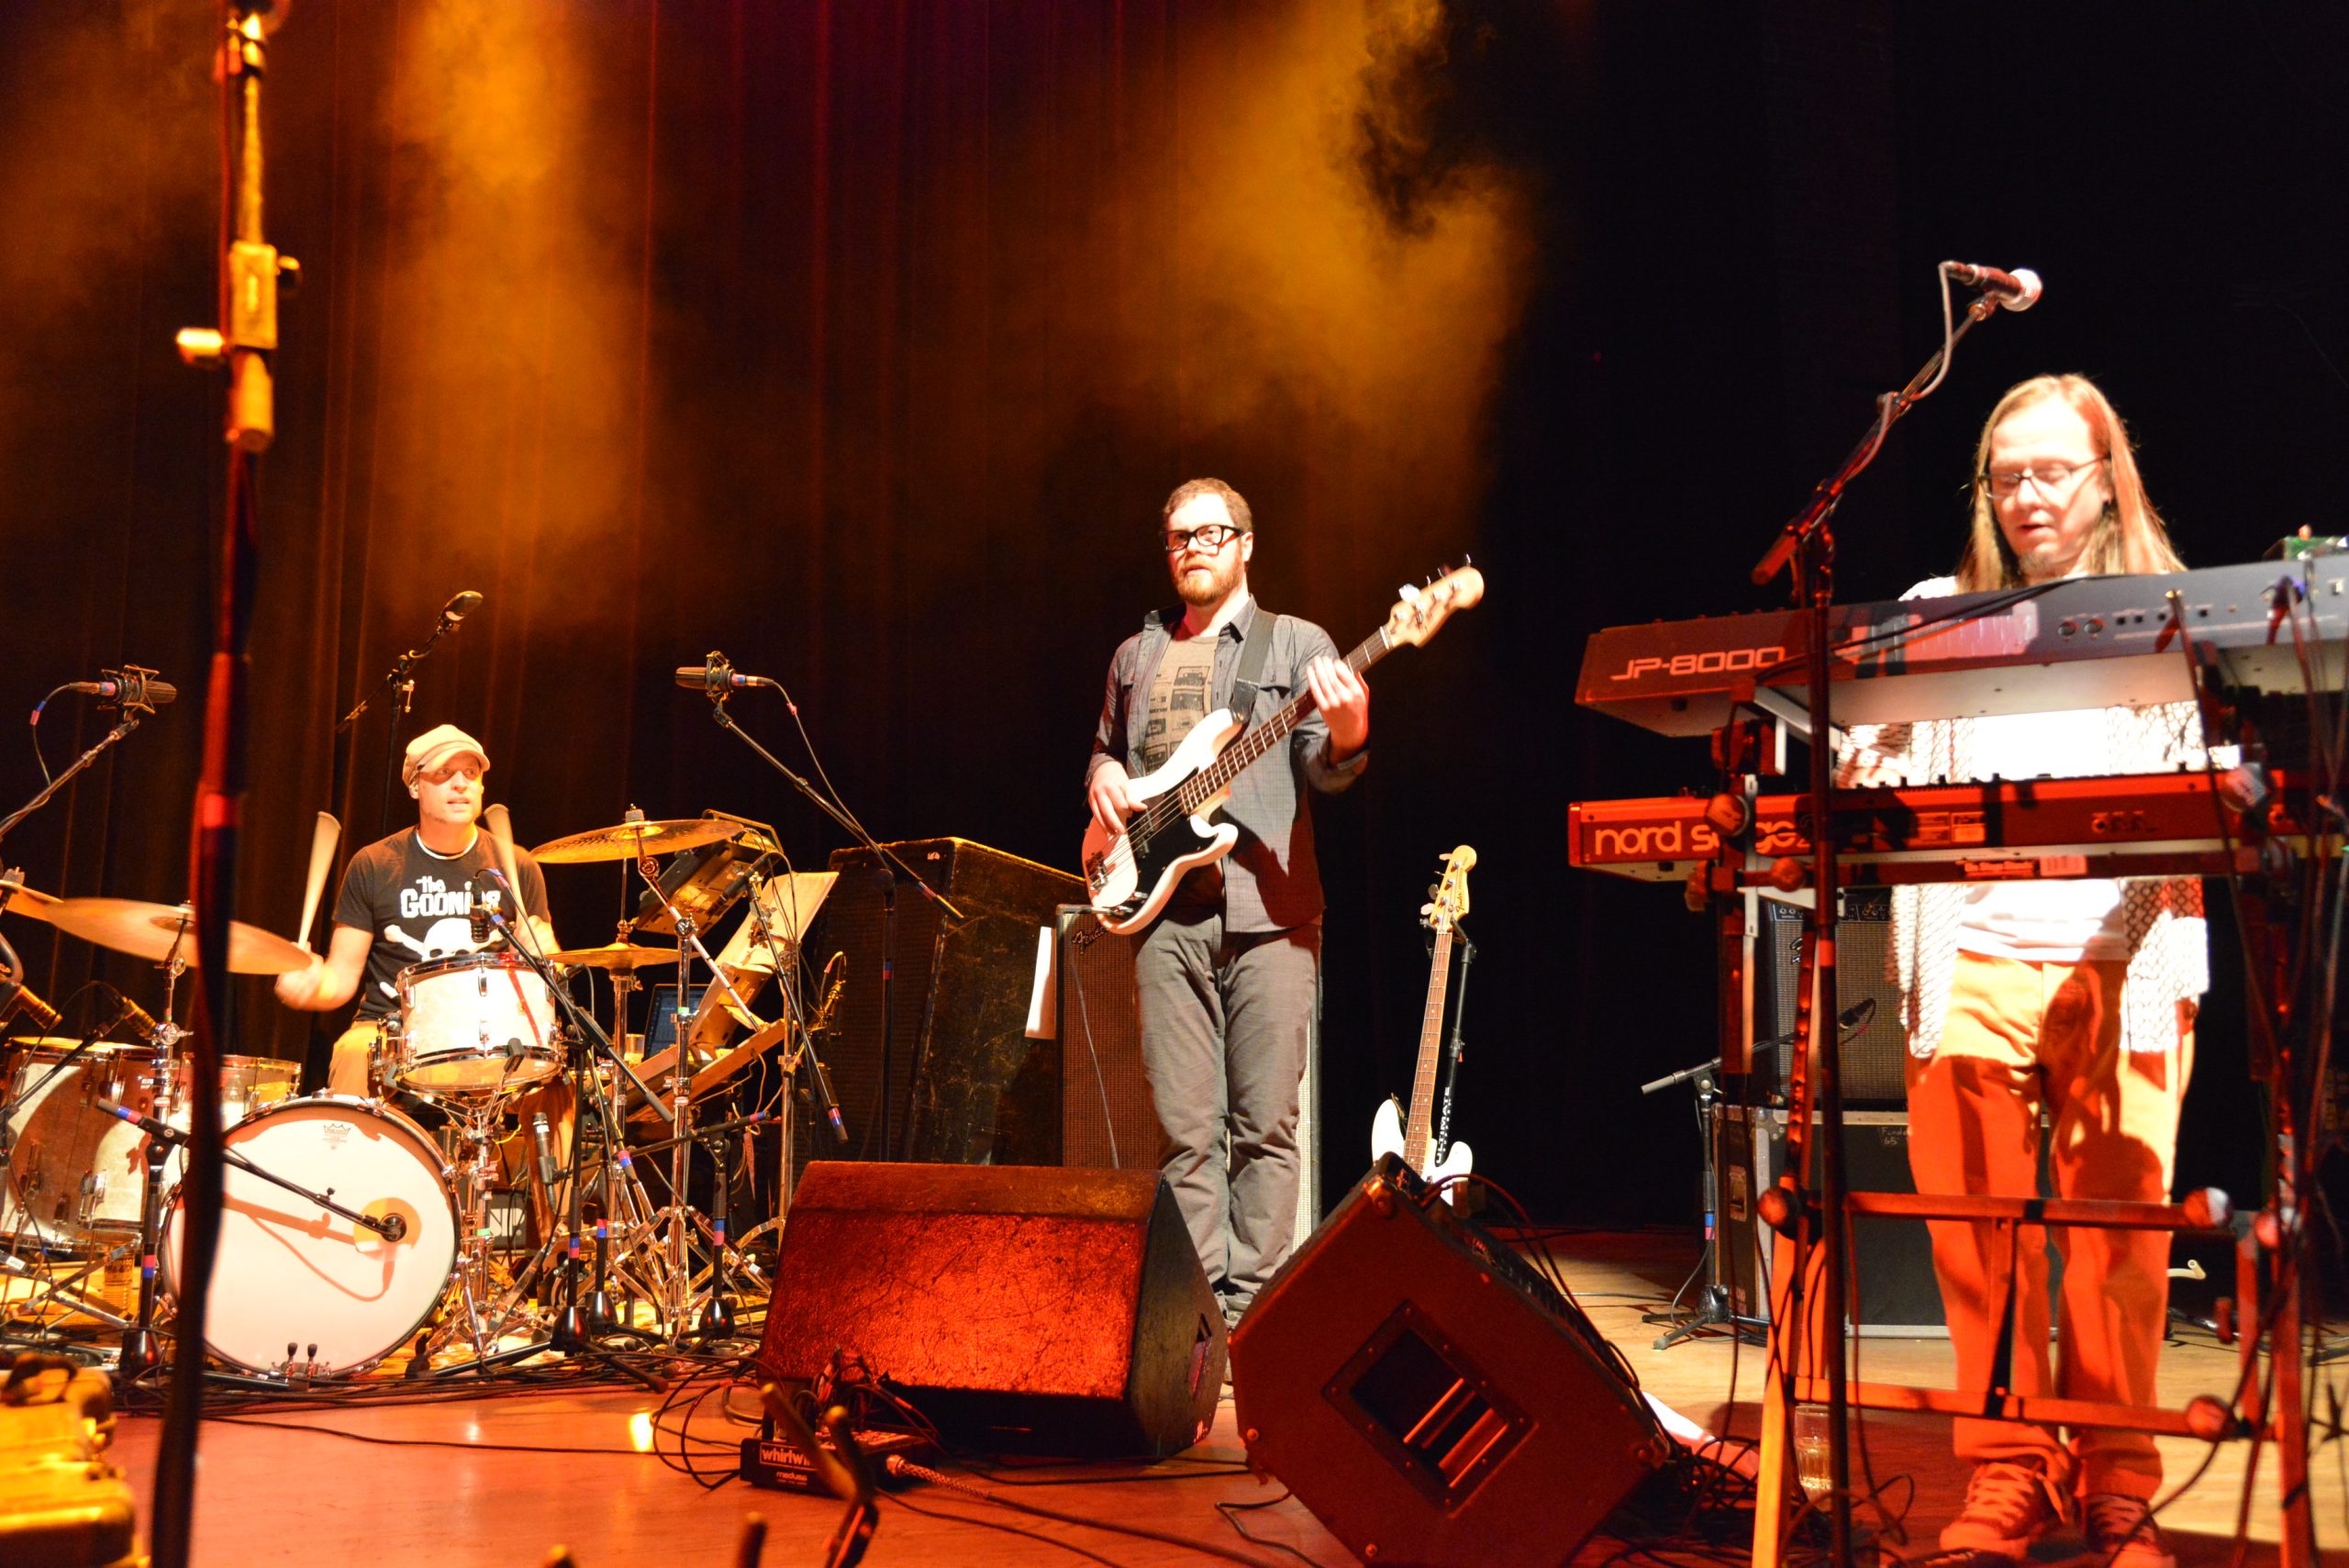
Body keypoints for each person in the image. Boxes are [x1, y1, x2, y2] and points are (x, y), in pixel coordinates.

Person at [1840, 375, 2200, 1568]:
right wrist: (1845, 728)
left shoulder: (2163, 606)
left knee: (2117, 1252)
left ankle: (2119, 1485)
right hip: (1974, 962)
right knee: (1981, 1246)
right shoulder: (1941, 607)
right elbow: (1862, 760)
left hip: (2125, 965)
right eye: (2007, 474)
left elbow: (2200, 786)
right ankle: (2008, 1476)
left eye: (2053, 470)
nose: (2029, 493)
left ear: (2106, 478)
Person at [1085, 477, 1369, 1330]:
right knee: (1184, 1133)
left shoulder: (1296, 645)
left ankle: (1255, 1319)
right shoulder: (1135, 656)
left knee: (1267, 1129)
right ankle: (1197, 1317)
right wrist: (1101, 776)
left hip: (1271, 913)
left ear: (1246, 544)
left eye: (1211, 533)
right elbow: (1107, 754)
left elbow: (1327, 766)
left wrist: (1351, 731)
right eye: (1179, 537)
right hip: (1163, 915)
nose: (1194, 547)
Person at [274, 724, 573, 1241]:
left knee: (559, 1084)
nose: (461, 784)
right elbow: (341, 980)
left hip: (497, 1033)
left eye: (471, 773)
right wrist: (307, 981)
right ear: (415, 786)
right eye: (443, 774)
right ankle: (352, 1226)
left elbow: (549, 963)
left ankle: (552, 1251)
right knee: (350, 1052)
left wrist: (546, 951)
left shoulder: (515, 865)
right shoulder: (374, 864)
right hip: (392, 1031)